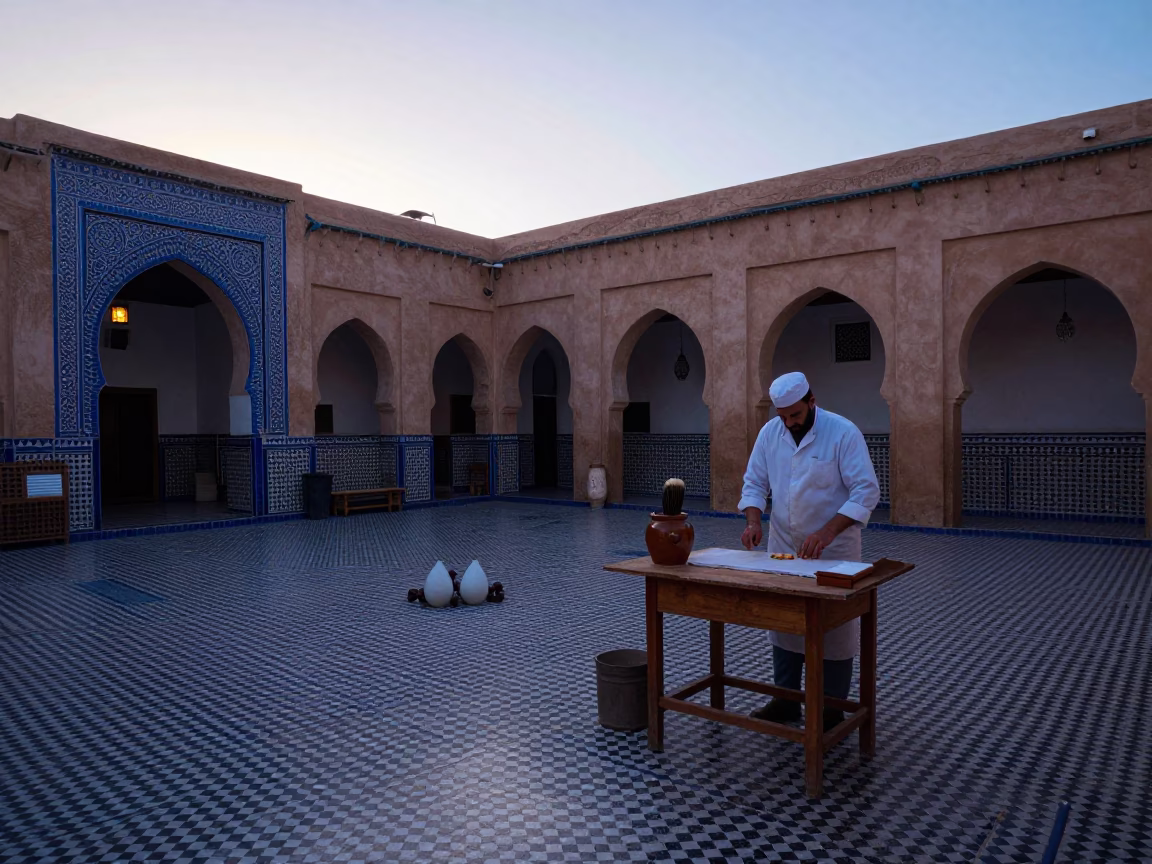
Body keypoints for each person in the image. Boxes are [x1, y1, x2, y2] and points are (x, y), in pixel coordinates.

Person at [738, 371, 880, 731]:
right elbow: (754, 481)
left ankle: (831, 709)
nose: (789, 424)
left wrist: (827, 532)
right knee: (784, 624)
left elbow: (865, 491)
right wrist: (754, 522)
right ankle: (786, 701)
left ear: (812, 402)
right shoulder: (771, 433)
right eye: (783, 417)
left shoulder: (842, 432)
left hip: (834, 551)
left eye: (796, 417)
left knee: (835, 632)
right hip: (783, 546)